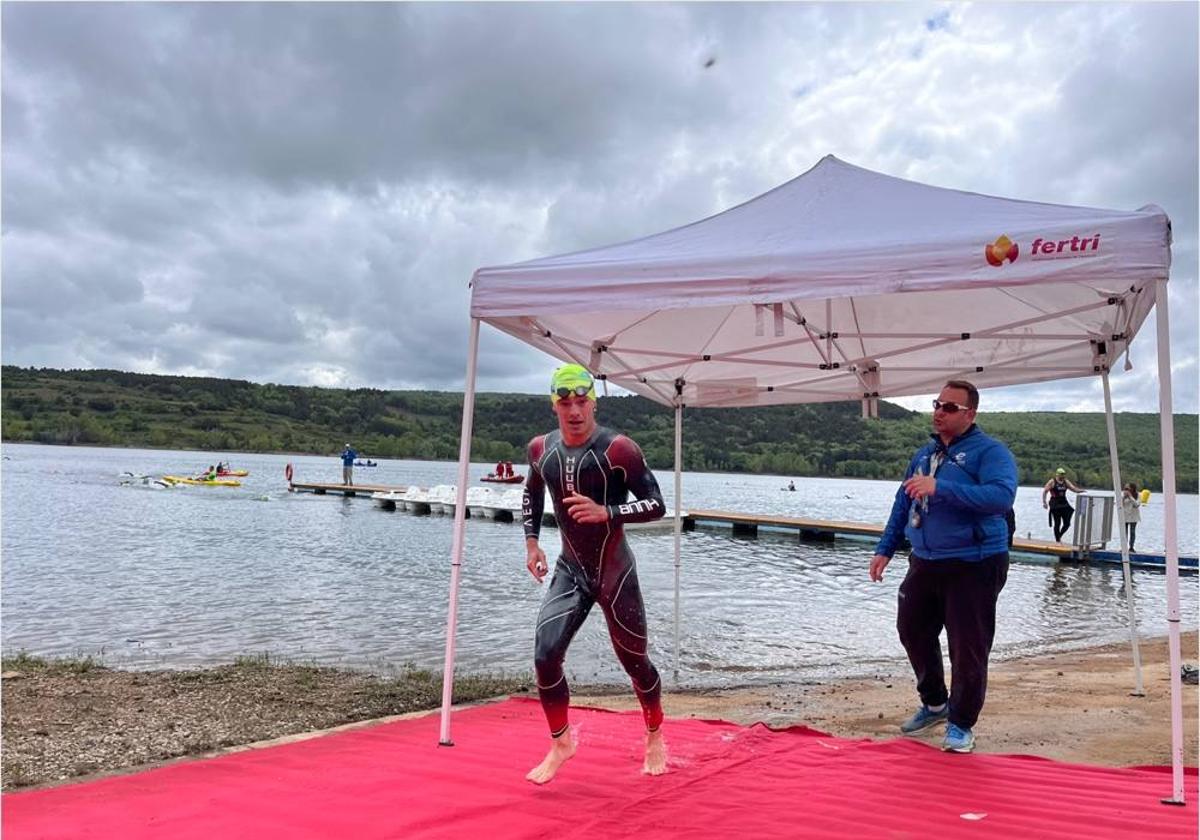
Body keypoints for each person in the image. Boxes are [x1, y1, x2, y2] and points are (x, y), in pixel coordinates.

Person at [522, 363, 667, 784]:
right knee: (545, 655)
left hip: (614, 569)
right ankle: (561, 743)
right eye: (565, 403)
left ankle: (654, 733)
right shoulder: (539, 450)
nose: (574, 411)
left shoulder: (619, 450)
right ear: (554, 406)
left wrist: (609, 511)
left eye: (581, 402)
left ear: (594, 402)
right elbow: (531, 493)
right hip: (570, 569)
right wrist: (532, 543)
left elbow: (657, 504)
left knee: (635, 662)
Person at [869, 380, 1017, 754]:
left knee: (968, 646)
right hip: (926, 559)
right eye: (937, 404)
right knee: (911, 629)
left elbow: (1001, 497)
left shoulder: (991, 453)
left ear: (971, 413)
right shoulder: (924, 455)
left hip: (975, 561)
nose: (939, 412)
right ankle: (935, 702)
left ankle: (961, 724)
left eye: (950, 407)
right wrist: (885, 547)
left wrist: (942, 489)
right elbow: (903, 502)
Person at [1042, 468, 1084, 543]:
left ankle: (1060, 535)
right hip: (1055, 503)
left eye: (1063, 475)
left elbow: (1073, 489)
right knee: (1057, 523)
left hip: (1064, 502)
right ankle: (1058, 540)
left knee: (1067, 523)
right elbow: (1045, 491)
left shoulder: (1065, 482)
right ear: (1057, 474)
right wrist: (1044, 502)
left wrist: (1081, 491)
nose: (1062, 476)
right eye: (1061, 475)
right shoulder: (1052, 481)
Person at [1121, 482, 1141, 553]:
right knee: (1124, 532)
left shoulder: (1138, 495)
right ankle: (1124, 547)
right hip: (1125, 516)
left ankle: (1131, 547)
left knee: (1132, 532)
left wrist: (1130, 497)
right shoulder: (1123, 496)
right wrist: (1123, 498)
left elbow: (1136, 505)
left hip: (1133, 517)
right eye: (1125, 489)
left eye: (1127, 489)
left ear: (1132, 489)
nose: (1126, 490)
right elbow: (1119, 505)